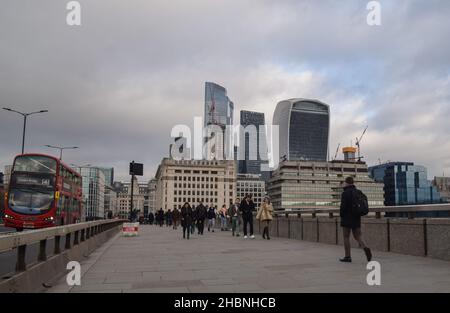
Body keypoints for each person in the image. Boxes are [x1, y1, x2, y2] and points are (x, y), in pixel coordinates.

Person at [339, 176, 372, 263]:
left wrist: (341, 215)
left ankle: (348, 256)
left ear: (346, 183)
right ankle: (365, 247)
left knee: (346, 237)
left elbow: (343, 207)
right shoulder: (358, 192)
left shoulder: (345, 193)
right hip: (356, 217)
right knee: (358, 236)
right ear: (353, 183)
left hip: (346, 217)